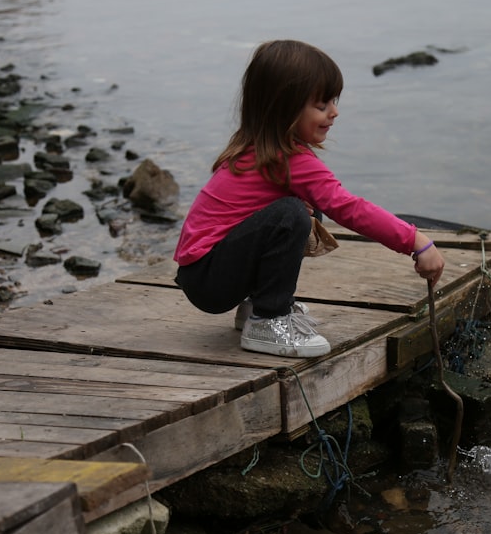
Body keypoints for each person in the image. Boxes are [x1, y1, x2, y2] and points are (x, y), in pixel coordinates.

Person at [174, 40, 445, 358]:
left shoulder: (257, 146)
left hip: (206, 273)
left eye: (333, 101)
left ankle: (255, 308)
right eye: (321, 106)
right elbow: (348, 208)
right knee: (291, 214)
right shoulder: (286, 158)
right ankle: (268, 321)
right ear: (284, 109)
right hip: (211, 278)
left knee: (303, 205)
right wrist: (416, 241)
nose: (334, 112)